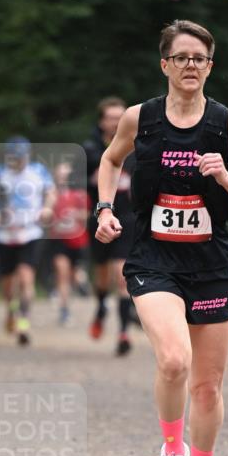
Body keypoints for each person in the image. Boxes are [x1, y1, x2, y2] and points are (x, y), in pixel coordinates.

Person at [95, 19, 228, 456]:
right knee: (174, 361)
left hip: (212, 262)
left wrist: (225, 176)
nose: (190, 65)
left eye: (200, 58)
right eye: (181, 57)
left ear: (210, 67)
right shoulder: (141, 119)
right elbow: (110, 161)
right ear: (165, 64)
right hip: (154, 258)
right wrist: (105, 209)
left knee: (208, 387)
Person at [84, 97, 138, 355]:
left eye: (120, 117)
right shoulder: (90, 150)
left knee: (122, 276)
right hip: (98, 218)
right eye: (110, 118)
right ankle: (101, 306)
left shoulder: (137, 146)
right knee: (103, 278)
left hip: (127, 220)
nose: (115, 122)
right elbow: (78, 185)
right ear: (101, 121)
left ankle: (123, 332)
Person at [0, 136, 55, 346]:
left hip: (30, 232)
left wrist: (47, 207)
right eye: (14, 158)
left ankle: (24, 321)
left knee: (25, 278)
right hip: (4, 234)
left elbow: (50, 192)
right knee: (7, 285)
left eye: (21, 157)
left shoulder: (38, 171)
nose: (18, 161)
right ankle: (11, 309)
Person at [50, 160, 90, 325]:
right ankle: (64, 310)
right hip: (59, 240)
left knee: (75, 276)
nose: (62, 177)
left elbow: (87, 214)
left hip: (78, 240)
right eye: (59, 173)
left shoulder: (79, 194)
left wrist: (75, 215)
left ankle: (81, 281)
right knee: (62, 274)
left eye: (65, 174)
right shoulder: (50, 194)